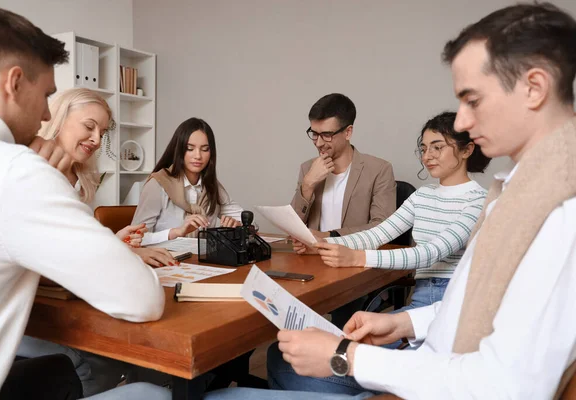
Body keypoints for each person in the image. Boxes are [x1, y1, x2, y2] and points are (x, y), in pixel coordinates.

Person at [202, 3, 576, 399]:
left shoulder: (558, 211)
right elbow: (472, 306)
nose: (463, 122)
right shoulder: (516, 190)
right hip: (428, 353)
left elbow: (506, 384)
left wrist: (350, 356)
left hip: (430, 378)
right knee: (286, 359)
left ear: (534, 87)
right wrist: (404, 325)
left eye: (473, 100)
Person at [0, 6, 170, 400]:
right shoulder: (18, 171)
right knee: (157, 392)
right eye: (47, 94)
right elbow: (144, 299)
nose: (46, 111)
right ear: (14, 82)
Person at [272, 111, 489, 385]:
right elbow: (377, 234)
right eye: (423, 148)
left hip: (452, 305)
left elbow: (430, 252)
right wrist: (321, 243)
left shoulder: (479, 200)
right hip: (419, 302)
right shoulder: (422, 196)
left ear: (467, 149)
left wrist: (358, 258)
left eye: (438, 147)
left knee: (292, 367)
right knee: (281, 358)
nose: (427, 155)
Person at [17, 88, 177, 397]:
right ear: (59, 120)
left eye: (101, 132)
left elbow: (69, 247)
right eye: (89, 126)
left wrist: (113, 243)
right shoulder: (33, 173)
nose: (95, 138)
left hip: (56, 303)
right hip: (33, 316)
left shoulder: (78, 178)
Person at [291, 93, 396, 239]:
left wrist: (329, 236)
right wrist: (307, 185)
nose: (319, 143)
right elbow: (292, 229)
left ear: (348, 132)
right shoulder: (308, 168)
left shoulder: (379, 170)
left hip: (356, 257)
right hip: (313, 258)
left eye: (327, 135)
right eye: (314, 134)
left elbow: (383, 228)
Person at [133, 117, 244, 245]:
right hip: (165, 260)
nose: (198, 156)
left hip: (201, 262)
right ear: (179, 150)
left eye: (205, 149)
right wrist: (176, 232)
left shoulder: (212, 187)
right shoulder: (158, 184)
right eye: (190, 148)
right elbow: (135, 238)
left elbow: (250, 222)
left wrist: (238, 225)